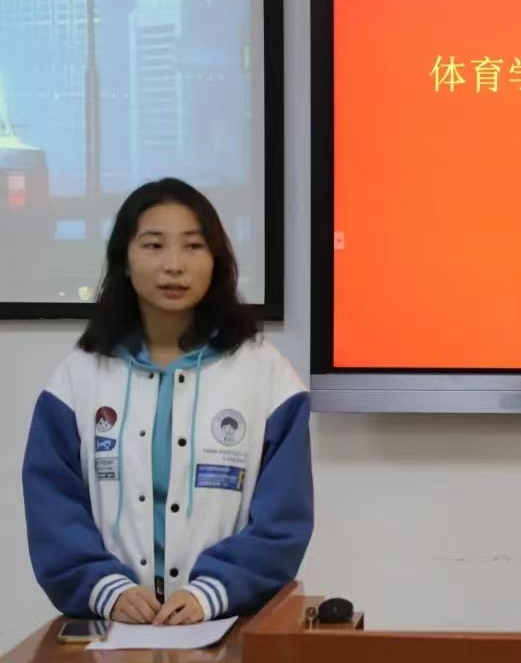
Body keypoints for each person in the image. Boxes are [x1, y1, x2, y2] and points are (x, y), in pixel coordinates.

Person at [22, 178, 313, 625]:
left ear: (216, 261)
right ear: (123, 260)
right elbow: (53, 506)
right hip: (115, 629)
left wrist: (211, 593)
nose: (173, 265)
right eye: (154, 245)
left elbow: (283, 522)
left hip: (227, 625)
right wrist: (107, 589)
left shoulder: (268, 377)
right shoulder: (78, 377)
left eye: (193, 246)